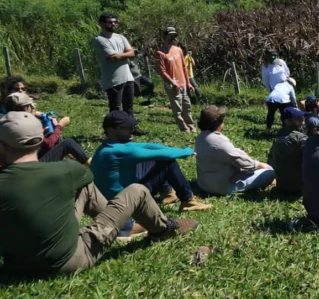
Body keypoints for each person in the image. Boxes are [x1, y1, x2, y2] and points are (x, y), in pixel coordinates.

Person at [0, 111, 199, 277]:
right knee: (135, 190)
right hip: (69, 259)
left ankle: (125, 226)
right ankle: (159, 229)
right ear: (42, 137)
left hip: (15, 267)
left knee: (84, 187)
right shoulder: (67, 170)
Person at [90, 111, 212, 212]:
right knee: (167, 162)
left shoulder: (108, 147)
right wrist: (187, 151)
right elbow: (164, 155)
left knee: (153, 160)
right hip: (123, 203)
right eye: (125, 128)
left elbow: (149, 146)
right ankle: (188, 201)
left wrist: (176, 149)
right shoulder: (119, 151)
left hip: (115, 198)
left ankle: (167, 193)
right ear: (111, 131)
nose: (131, 130)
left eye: (131, 127)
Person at [194, 105, 275, 196]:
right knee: (270, 172)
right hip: (222, 187)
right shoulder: (219, 141)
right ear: (219, 123)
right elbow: (245, 164)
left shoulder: (200, 138)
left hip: (204, 184)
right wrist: (260, 165)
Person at [92, 12, 145, 135]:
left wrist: (122, 55)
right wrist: (126, 54)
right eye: (110, 22)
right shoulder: (99, 40)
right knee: (115, 108)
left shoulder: (120, 37)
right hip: (113, 78)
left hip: (128, 76)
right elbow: (114, 58)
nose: (113, 24)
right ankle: (114, 131)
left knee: (129, 106)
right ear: (101, 24)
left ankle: (131, 129)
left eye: (115, 22)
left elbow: (131, 53)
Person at [3, 92, 88, 166]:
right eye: (31, 105)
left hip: (11, 164)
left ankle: (75, 158)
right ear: (26, 108)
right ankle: (90, 164)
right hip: (31, 167)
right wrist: (59, 126)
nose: (33, 107)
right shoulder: (26, 125)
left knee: (56, 139)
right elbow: (49, 143)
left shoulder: (5, 123)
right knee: (68, 143)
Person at [156, 27, 196, 133]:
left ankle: (191, 126)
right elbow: (162, 71)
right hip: (172, 85)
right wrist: (173, 83)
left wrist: (188, 83)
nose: (173, 38)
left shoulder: (178, 50)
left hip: (183, 84)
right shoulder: (161, 53)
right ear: (165, 37)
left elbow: (184, 67)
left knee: (187, 107)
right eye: (170, 35)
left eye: (174, 35)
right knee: (177, 109)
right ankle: (184, 128)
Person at [268, 107, 309, 197]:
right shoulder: (301, 138)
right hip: (299, 187)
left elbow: (270, 160)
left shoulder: (279, 136)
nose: (302, 122)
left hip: (281, 185)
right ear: (287, 121)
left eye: (303, 119)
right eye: (299, 119)